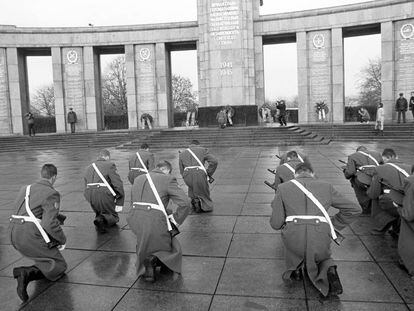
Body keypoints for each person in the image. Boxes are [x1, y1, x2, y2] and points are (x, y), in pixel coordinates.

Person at [270, 163, 361, 298]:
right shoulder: (326, 186)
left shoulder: (283, 188)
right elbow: (355, 209)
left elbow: (276, 224)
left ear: (296, 174)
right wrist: (333, 224)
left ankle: (296, 270)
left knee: (292, 249)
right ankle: (328, 269)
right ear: (312, 173)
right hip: (320, 233)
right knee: (323, 256)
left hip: (294, 234)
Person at [10, 164, 67, 302]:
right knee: (59, 266)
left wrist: (59, 216)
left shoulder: (25, 188)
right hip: (29, 235)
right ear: (54, 177)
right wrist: (61, 239)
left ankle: (38, 263)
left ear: (42, 174)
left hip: (14, 234)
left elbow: (29, 210)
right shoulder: (51, 193)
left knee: (43, 256)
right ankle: (26, 273)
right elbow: (48, 223)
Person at [127, 161, 191, 283]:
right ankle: (153, 260)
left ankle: (148, 259)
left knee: (145, 240)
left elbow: (134, 201)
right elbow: (185, 204)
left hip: (134, 217)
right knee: (170, 243)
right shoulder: (168, 179)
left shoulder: (138, 178)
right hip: (153, 217)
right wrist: (176, 220)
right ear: (167, 170)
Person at [367, 148, 412, 237]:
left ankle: (380, 228)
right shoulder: (410, 167)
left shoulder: (380, 169)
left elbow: (374, 193)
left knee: (379, 198)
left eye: (384, 160)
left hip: (400, 203)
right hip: (411, 201)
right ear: (396, 157)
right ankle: (397, 228)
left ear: (388, 158)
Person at [83, 149, 124, 233]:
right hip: (103, 193)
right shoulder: (109, 165)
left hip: (89, 195)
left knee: (99, 211)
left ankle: (99, 218)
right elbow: (118, 184)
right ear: (107, 156)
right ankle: (102, 220)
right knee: (114, 216)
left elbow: (85, 183)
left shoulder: (88, 167)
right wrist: (119, 199)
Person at [179, 140, 218, 212]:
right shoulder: (203, 150)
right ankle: (206, 207)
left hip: (186, 174)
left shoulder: (182, 153)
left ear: (190, 145)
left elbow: (181, 169)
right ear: (198, 145)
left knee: (191, 189)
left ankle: (194, 204)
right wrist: (208, 172)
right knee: (203, 191)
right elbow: (214, 161)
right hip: (199, 173)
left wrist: (184, 176)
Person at [343, 146, 383, 215]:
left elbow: (350, 172)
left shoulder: (353, 156)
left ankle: (366, 208)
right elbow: (383, 167)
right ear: (366, 150)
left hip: (363, 180)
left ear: (357, 151)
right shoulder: (377, 153)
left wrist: (345, 171)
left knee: (354, 180)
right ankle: (376, 207)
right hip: (377, 178)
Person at [399, 170, 414, 278]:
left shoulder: (411, 181)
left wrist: (399, 209)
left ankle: (409, 265)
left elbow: (408, 215)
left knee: (406, 223)